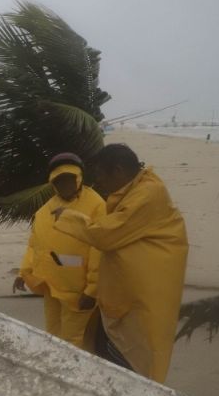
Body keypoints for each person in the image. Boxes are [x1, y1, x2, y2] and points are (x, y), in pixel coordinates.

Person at [52, 144, 188, 383]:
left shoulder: (148, 194)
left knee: (137, 354)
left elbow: (107, 235)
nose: (100, 184)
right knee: (110, 347)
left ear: (118, 170)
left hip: (145, 296)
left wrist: (68, 218)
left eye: (102, 177)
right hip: (127, 293)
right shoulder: (136, 191)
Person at [13, 153, 105, 351]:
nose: (65, 185)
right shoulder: (46, 209)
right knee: (53, 337)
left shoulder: (96, 206)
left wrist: (91, 290)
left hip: (77, 290)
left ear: (79, 179)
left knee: (73, 341)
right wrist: (24, 272)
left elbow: (100, 249)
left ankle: (73, 378)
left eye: (70, 179)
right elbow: (35, 244)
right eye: (59, 181)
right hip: (51, 285)